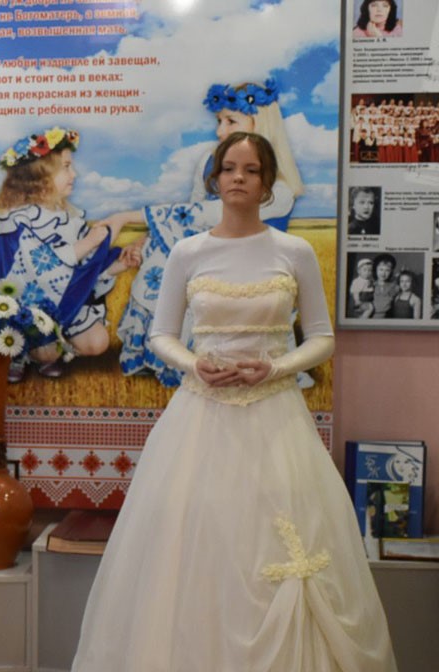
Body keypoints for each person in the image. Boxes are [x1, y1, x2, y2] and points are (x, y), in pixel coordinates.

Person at [71, 132, 396, 672]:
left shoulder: (293, 251)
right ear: (215, 178)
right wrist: (194, 363)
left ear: (267, 182)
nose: (238, 178)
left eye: (251, 169)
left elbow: (322, 337)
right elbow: (161, 334)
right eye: (229, 168)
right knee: (194, 543)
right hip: (202, 415)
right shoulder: (189, 252)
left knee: (281, 537)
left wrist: (277, 367)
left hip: (276, 416)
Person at [106, 77, 305, 385]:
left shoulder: (280, 190)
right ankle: (165, 353)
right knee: (159, 258)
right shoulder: (207, 162)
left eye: (231, 121)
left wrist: (128, 216)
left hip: (251, 269)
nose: (220, 131)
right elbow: (192, 211)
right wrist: (147, 238)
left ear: (260, 123)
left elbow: (209, 213)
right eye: (218, 121)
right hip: (213, 254)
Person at [0, 127, 133, 381]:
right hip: (30, 305)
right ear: (40, 177)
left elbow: (84, 269)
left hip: (63, 300)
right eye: (66, 167)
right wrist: (88, 243)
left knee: (97, 342)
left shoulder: (69, 217)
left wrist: (117, 266)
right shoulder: (21, 219)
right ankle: (22, 353)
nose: (74, 174)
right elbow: (42, 267)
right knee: (44, 349)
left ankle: (53, 348)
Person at [371, 252, 398, 318]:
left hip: (385, 317)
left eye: (387, 270)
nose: (383, 273)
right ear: (375, 270)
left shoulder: (393, 286)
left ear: (391, 272)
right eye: (381, 269)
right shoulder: (370, 285)